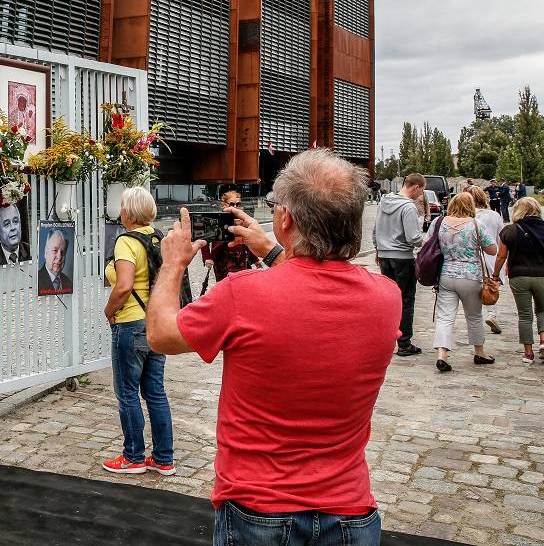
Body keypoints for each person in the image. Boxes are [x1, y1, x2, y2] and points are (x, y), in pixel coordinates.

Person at [147, 150, 399, 546]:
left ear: (286, 220)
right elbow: (315, 287)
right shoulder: (386, 297)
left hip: (259, 509)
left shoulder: (242, 294)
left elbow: (161, 334)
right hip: (350, 511)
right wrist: (272, 250)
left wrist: (174, 264)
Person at [100, 187, 174, 476]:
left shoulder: (126, 242)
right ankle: (164, 457)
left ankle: (133, 456)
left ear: (127, 212)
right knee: (155, 392)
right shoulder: (159, 239)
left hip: (130, 323)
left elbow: (124, 285)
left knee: (127, 392)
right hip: (156, 322)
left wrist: (109, 311)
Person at [432, 192, 497, 372]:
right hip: (470, 276)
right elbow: (492, 250)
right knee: (474, 316)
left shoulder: (439, 223)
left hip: (446, 274)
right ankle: (480, 352)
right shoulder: (476, 224)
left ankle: (442, 354)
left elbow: (427, 243)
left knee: (445, 316)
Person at [493, 197, 544, 364]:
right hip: (543, 276)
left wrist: (495, 275)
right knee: (543, 310)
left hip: (519, 276)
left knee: (525, 315)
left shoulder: (510, 230)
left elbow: (501, 255)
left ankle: (528, 353)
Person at [374, 172, 426, 356]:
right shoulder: (408, 207)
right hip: (402, 257)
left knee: (389, 298)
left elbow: (376, 229)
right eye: (421, 191)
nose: (420, 195)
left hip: (384, 256)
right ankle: (404, 343)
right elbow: (413, 237)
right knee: (406, 300)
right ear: (416, 187)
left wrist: (378, 249)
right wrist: (425, 240)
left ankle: (385, 337)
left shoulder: (383, 202)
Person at [199, 189, 257, 294]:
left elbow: (248, 241)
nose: (235, 207)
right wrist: (208, 257)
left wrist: (255, 259)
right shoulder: (217, 220)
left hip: (241, 259)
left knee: (242, 285)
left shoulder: (243, 219)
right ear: (224, 204)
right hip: (223, 259)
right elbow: (204, 239)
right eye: (232, 204)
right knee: (225, 287)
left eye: (238, 204)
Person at [467, 186, 504, 334]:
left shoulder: (466, 216)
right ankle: (491, 313)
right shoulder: (494, 216)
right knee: (491, 287)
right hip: (491, 256)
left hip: (471, 257)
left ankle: (475, 317)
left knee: (474, 289)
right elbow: (501, 238)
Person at [37, 228, 73, 294]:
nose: (59, 257)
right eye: (55, 250)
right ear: (46, 252)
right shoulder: (37, 281)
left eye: (62, 252)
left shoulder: (68, 282)